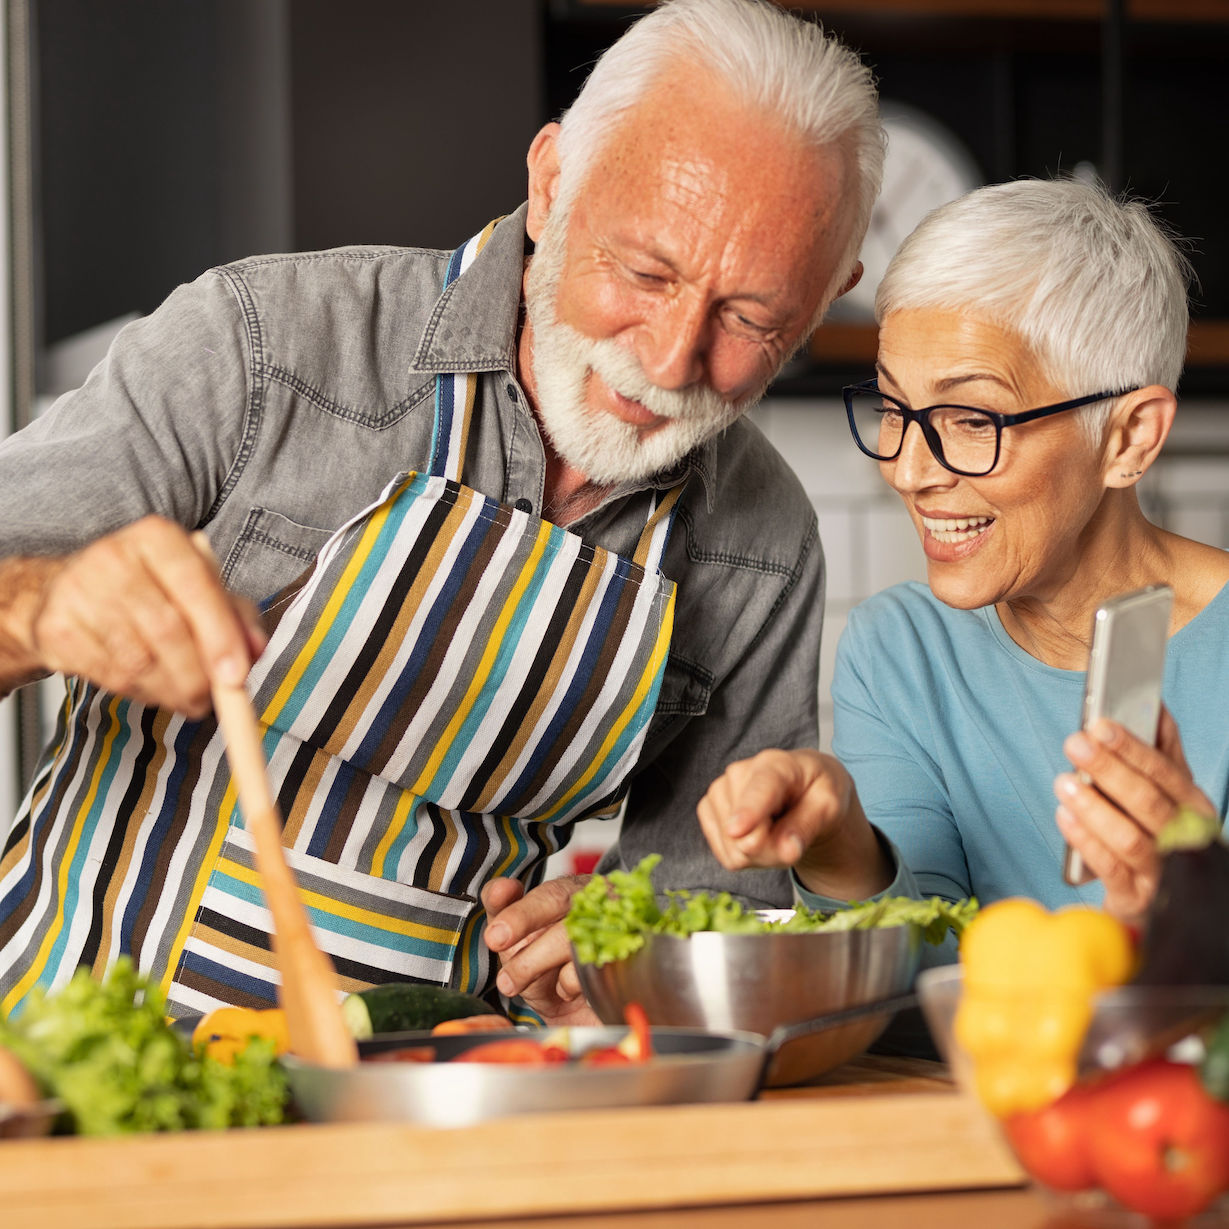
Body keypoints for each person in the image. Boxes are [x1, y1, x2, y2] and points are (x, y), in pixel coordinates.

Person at [0, 0, 883, 1023]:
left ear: (825, 302)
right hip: (58, 1054)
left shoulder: (758, 544)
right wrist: (40, 606)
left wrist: (622, 947)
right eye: (644, 272)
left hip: (423, 1106)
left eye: (750, 318)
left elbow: (713, 918)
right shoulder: (270, 344)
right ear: (551, 185)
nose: (671, 356)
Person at [697, 177, 1227, 977]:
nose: (909, 471)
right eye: (891, 407)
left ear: (1127, 438)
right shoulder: (901, 649)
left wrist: (1199, 909)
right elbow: (914, 980)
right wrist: (843, 845)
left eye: (971, 421)